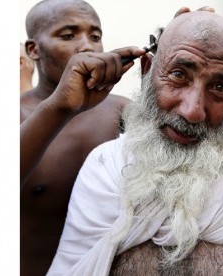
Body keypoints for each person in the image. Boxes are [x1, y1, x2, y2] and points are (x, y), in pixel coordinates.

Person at [47, 11, 223, 275]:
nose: (192, 111)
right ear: (146, 71)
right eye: (178, 74)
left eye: (220, 88)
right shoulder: (105, 169)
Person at [20, 0, 145, 275]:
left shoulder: (122, 110)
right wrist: (60, 107)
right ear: (33, 50)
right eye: (68, 35)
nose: (87, 46)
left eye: (96, 36)